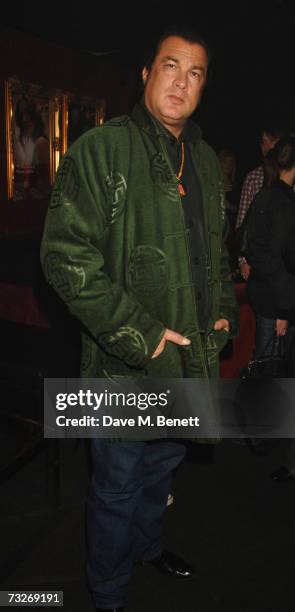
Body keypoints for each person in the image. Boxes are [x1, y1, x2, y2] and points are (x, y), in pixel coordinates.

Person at [40, 28, 238, 612]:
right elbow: (62, 257)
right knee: (117, 487)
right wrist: (144, 333)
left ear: (204, 86)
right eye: (170, 65)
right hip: (122, 368)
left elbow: (216, 251)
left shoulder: (202, 158)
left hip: (189, 361)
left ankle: (147, 548)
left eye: (196, 72)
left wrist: (224, 310)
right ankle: (107, 595)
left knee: (162, 467)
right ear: (144, 74)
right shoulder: (101, 149)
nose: (181, 79)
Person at [245, 137, 295, 469]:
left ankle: (259, 430)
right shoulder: (283, 202)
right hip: (276, 300)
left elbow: (251, 245)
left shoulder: (267, 195)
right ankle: (259, 431)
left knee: (267, 365)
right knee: (270, 367)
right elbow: (277, 258)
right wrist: (284, 309)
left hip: (267, 296)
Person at [235, 126, 284, 281]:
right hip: (259, 266)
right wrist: (243, 262)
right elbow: (242, 225)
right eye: (264, 141)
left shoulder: (290, 177)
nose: (267, 146)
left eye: (272, 141)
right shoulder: (252, 178)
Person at [13, 95, 50, 200]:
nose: (25, 119)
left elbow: (45, 183)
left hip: (35, 200)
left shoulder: (40, 142)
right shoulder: (18, 141)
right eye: (21, 113)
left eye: (27, 113)